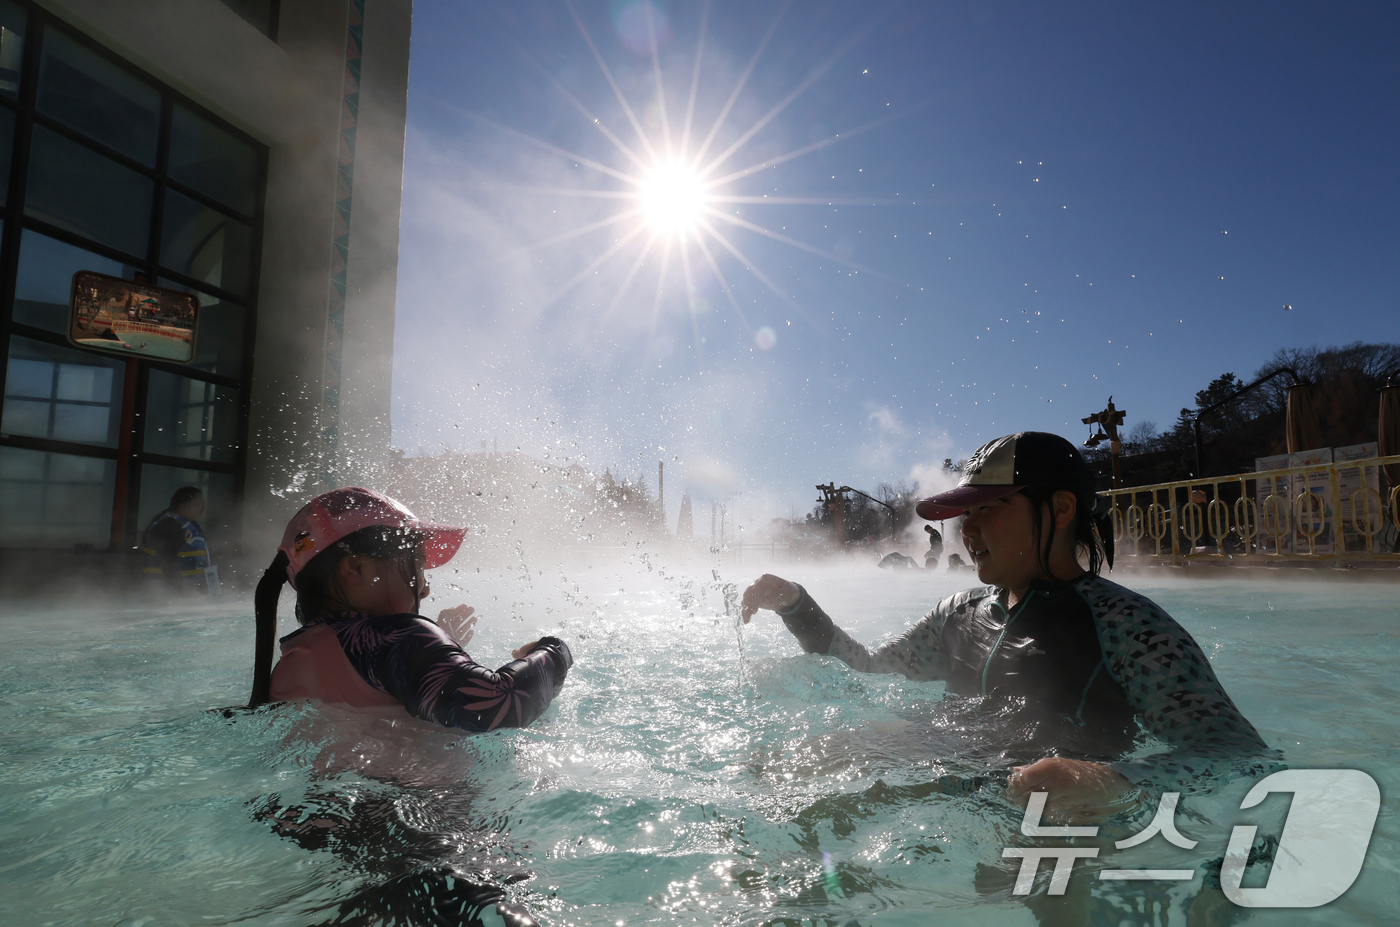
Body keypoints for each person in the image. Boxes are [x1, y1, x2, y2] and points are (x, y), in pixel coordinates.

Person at [741, 432, 1271, 817]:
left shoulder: (1128, 626)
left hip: (1052, 820)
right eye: (963, 514)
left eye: (987, 509)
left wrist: (1113, 779)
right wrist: (798, 607)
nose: (965, 530)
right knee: (772, 775)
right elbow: (870, 670)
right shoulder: (958, 614)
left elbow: (1236, 755)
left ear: (1061, 509)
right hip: (944, 787)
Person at [249, 487, 573, 734]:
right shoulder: (399, 639)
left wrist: (441, 649)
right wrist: (554, 652)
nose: (424, 587)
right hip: (414, 817)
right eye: (416, 566)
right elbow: (494, 706)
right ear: (357, 568)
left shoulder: (291, 663)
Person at [141, 486, 213, 592]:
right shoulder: (169, 525)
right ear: (184, 504)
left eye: (204, 503)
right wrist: (180, 589)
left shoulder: (190, 524)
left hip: (186, 590)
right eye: (200, 502)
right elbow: (166, 562)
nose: (203, 507)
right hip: (164, 591)